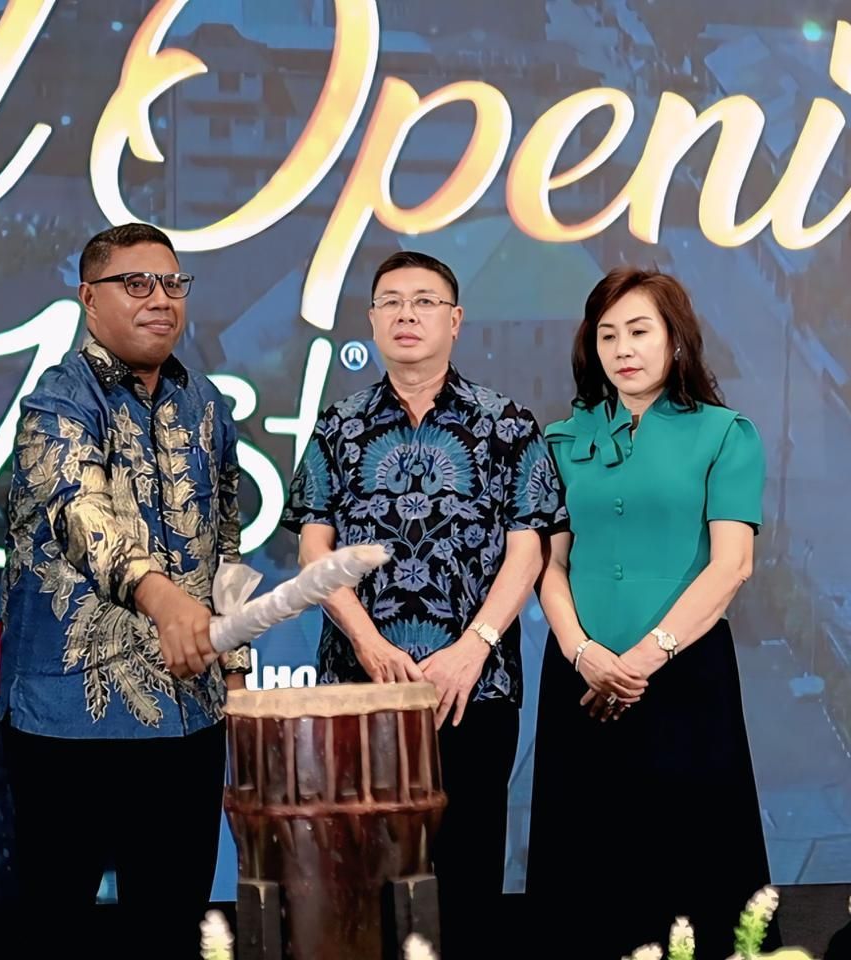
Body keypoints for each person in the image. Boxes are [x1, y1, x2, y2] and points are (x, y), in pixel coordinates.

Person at [282, 251, 565, 960]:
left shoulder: (508, 424)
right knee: (360, 885)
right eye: (392, 302)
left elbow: (528, 549)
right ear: (372, 320)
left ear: (456, 319)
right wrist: (372, 645)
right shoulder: (337, 427)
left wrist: (475, 646)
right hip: (361, 689)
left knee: (467, 884)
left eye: (425, 301)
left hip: (474, 688)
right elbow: (314, 552)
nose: (407, 314)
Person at [0, 222, 250, 959]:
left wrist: (235, 664)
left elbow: (226, 536)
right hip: (69, 718)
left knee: (172, 928)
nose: (160, 299)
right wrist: (165, 599)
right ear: (89, 299)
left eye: (173, 284)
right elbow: (84, 517)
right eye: (135, 284)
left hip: (189, 719)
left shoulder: (203, 402)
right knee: (60, 926)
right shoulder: (57, 402)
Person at [526, 267, 772, 960]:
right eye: (607, 335)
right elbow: (551, 564)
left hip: (685, 680)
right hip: (582, 676)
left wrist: (642, 658)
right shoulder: (563, 438)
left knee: (694, 870)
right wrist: (581, 651)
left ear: (676, 341)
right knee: (587, 867)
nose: (622, 347)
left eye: (639, 331)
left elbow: (733, 565)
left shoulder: (727, 434)